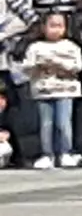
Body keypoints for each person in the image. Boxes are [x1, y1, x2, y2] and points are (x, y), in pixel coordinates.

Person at [12, 12, 78, 167]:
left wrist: (59, 63)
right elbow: (26, 68)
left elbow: (78, 66)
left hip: (65, 90)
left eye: (60, 26)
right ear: (43, 27)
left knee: (63, 123)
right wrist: (37, 65)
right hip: (43, 91)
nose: (56, 30)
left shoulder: (71, 47)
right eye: (52, 26)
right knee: (46, 124)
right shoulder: (35, 47)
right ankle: (47, 154)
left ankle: (65, 152)